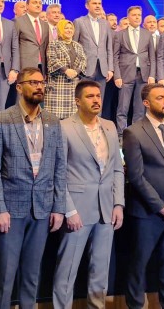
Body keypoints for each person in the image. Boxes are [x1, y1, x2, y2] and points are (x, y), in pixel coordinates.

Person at [0, 67, 66, 309]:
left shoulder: (52, 121)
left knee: (32, 275)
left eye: (42, 82)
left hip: (42, 209)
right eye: (33, 82)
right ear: (19, 87)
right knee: (5, 275)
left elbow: (59, 167)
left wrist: (59, 207)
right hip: (10, 211)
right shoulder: (2, 119)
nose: (39, 87)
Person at [52, 80, 124, 309]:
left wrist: (118, 204)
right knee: (67, 271)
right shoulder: (64, 127)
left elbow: (117, 169)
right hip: (77, 210)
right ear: (77, 101)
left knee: (100, 271)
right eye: (90, 96)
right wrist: (69, 210)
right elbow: (58, 172)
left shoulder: (109, 126)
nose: (96, 100)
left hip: (106, 210)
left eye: (98, 96)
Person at [122, 83, 164, 309]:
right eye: (160, 98)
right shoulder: (134, 132)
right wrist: (161, 207)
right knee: (138, 266)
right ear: (146, 103)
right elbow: (136, 176)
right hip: (147, 213)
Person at [113, 5, 156, 134]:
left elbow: (152, 57)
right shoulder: (120, 34)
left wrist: (152, 75)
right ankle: (121, 135)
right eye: (134, 15)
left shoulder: (147, 34)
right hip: (125, 75)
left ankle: (136, 134)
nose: (137, 17)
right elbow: (115, 56)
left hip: (143, 75)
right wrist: (117, 76)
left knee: (140, 109)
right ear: (128, 17)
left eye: (139, 15)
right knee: (123, 107)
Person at [73, 0, 114, 99]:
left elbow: (109, 47)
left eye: (99, 3)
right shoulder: (79, 22)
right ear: (87, 6)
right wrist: (76, 68)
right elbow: (74, 46)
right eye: (94, 3)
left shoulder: (105, 24)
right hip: (85, 69)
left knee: (99, 100)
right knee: (85, 99)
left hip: (102, 69)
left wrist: (110, 69)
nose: (97, 6)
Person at [44, 20, 87, 119]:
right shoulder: (53, 44)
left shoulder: (78, 46)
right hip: (58, 85)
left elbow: (83, 60)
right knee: (55, 117)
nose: (69, 30)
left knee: (72, 118)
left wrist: (76, 71)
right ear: (60, 30)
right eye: (66, 28)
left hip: (74, 85)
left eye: (71, 28)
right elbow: (52, 60)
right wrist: (66, 70)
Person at [15, 0, 50, 72]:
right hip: (24, 66)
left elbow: (45, 47)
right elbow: (14, 46)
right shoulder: (18, 22)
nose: (38, 5)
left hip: (42, 67)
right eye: (35, 3)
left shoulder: (45, 25)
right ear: (27, 6)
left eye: (40, 3)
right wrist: (15, 68)